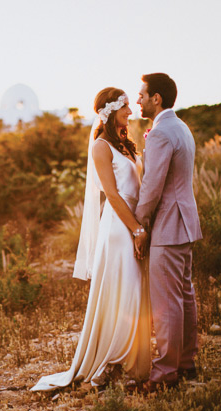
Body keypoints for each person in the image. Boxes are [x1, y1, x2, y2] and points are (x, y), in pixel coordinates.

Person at [30, 87, 151, 392]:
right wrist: (136, 229)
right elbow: (111, 193)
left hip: (134, 220)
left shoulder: (125, 143)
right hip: (119, 227)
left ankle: (133, 360)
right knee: (125, 288)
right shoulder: (101, 147)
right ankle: (112, 358)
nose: (131, 110)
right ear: (110, 110)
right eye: (125, 105)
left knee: (135, 290)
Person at [134, 73, 203, 393]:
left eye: (142, 95)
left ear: (156, 98)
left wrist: (139, 223)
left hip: (168, 225)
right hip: (186, 222)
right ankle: (186, 363)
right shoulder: (181, 127)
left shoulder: (161, 132)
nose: (138, 101)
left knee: (167, 303)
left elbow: (152, 186)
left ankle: (165, 374)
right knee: (184, 296)